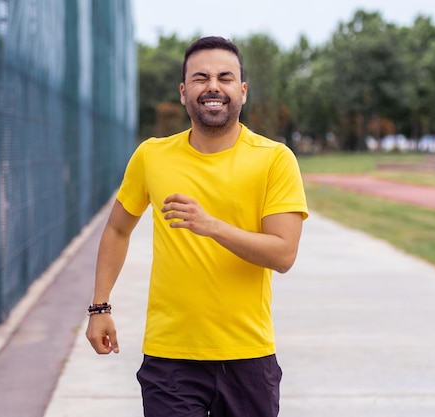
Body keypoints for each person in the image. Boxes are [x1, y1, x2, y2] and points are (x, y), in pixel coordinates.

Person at [86, 36, 309, 417]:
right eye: (200, 77)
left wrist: (212, 226)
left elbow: (283, 254)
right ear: (183, 91)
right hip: (170, 356)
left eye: (225, 77)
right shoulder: (151, 156)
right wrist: (99, 306)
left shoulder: (274, 159)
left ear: (242, 90)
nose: (213, 87)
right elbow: (118, 229)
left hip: (248, 356)